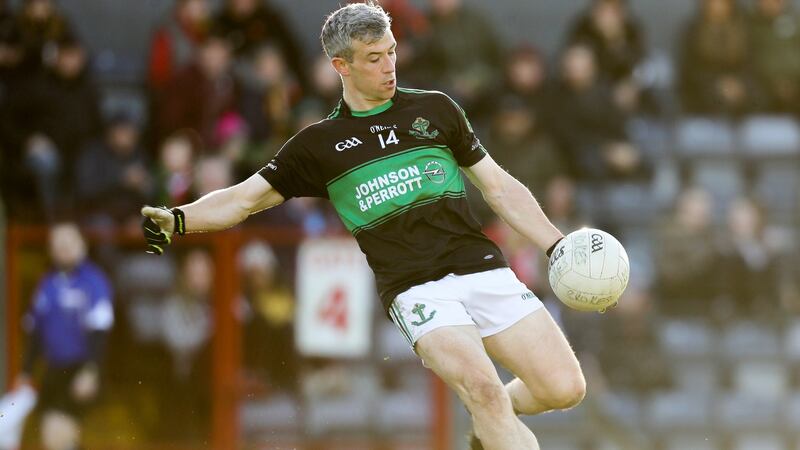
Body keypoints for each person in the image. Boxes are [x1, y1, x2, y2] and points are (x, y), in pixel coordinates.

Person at [141, 3, 584, 449]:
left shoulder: (436, 110)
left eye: (391, 52)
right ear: (341, 66)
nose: (389, 66)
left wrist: (557, 245)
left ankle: (490, 417)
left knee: (564, 389)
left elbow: (500, 188)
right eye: (374, 58)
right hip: (416, 289)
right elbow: (241, 200)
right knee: (484, 389)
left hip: (481, 268)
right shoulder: (319, 145)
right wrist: (179, 219)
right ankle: (489, 410)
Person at [15, 222, 114, 450]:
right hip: (53, 371)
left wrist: (91, 370)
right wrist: (26, 371)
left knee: (59, 434)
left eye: (69, 241)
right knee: (52, 437)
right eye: (57, 243)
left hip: (80, 370)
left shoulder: (94, 281)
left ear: (82, 245)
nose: (63, 247)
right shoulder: (47, 284)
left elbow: (100, 330)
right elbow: (35, 331)